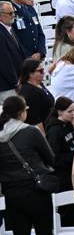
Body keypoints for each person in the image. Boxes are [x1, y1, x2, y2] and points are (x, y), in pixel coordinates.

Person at [0, 96, 55, 235]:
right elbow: (50, 158)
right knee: (44, 230)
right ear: (20, 113)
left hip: (11, 192)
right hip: (36, 189)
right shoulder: (31, 131)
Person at [45, 96, 74, 226]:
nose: (73, 114)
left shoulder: (69, 125)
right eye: (70, 111)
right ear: (59, 112)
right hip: (63, 178)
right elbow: (54, 158)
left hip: (73, 172)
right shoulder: (54, 130)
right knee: (69, 213)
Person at [17, 59, 54, 133]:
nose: (43, 73)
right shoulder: (29, 92)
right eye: (40, 71)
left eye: (43, 70)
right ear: (30, 73)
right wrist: (44, 139)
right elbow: (35, 120)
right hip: (43, 131)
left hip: (50, 126)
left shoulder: (39, 84)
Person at [0, 1, 25, 102]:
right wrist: (16, 82)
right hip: (7, 85)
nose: (13, 16)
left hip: (16, 80)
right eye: (10, 13)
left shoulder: (9, 29)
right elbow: (4, 61)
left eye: (14, 12)